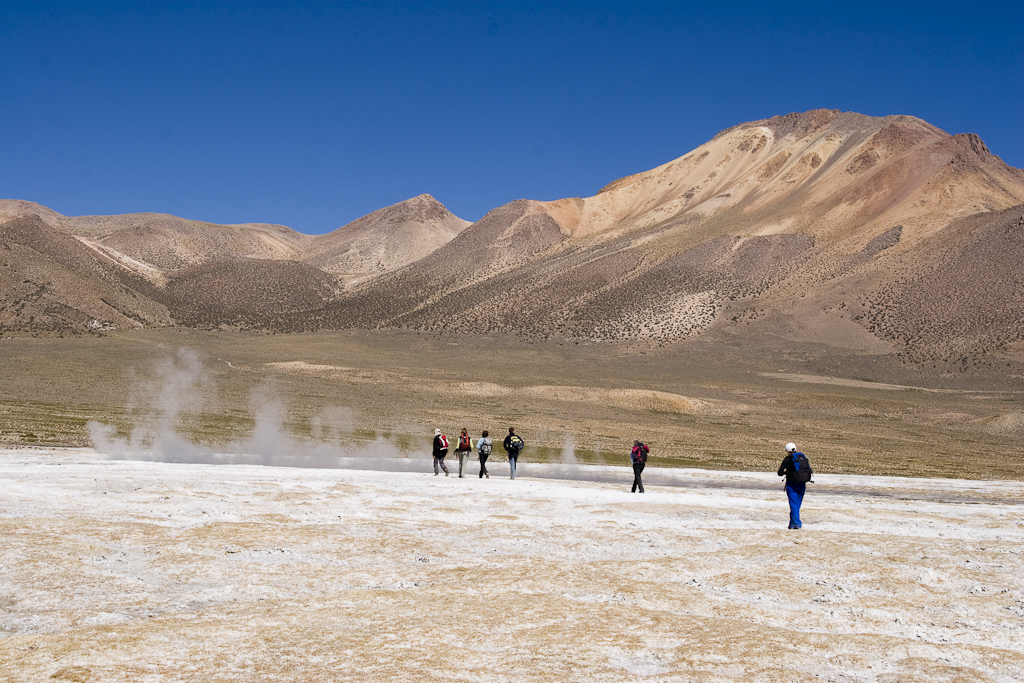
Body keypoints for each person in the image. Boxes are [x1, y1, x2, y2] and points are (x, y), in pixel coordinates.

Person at [778, 442, 812, 529]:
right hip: (802, 483)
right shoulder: (802, 457)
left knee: (793, 504)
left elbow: (780, 473)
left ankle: (797, 523)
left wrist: (787, 472)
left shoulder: (788, 459)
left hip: (792, 484)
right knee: (797, 504)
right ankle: (792, 524)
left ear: (787, 450)